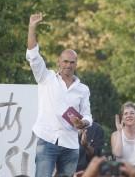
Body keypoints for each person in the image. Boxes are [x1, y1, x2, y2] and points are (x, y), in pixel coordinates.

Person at [26, 13, 93, 177]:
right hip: (47, 139)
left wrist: (84, 122)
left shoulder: (83, 89)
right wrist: (32, 27)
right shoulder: (46, 77)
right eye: (65, 61)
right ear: (58, 62)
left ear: (76, 64)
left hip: (70, 144)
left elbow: (87, 114)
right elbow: (33, 56)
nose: (68, 65)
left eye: (72, 62)